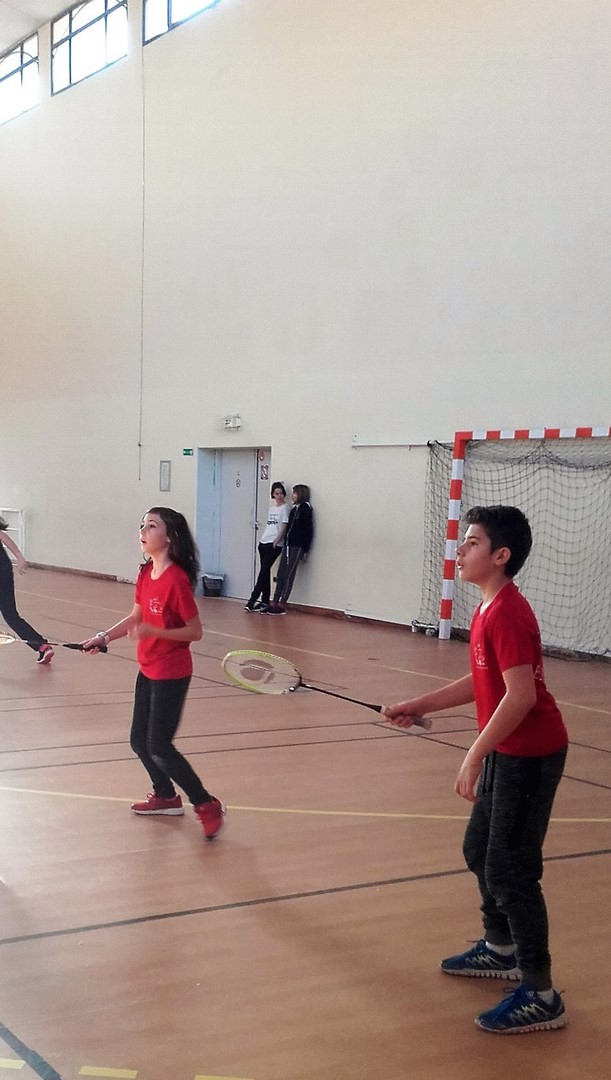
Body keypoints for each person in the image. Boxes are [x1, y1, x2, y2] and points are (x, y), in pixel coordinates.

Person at [384, 505, 568, 1034]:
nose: (461, 550)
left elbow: (521, 696)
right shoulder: (489, 608)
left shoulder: (508, 611)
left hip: (530, 756)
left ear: (501, 555)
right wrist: (420, 704)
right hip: (508, 751)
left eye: (472, 542)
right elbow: (482, 681)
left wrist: (474, 753)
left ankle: (541, 994)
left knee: (511, 871)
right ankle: (501, 946)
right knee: (478, 851)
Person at [82, 507, 225, 840]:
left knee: (159, 746)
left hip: (171, 673)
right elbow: (136, 618)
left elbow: (195, 631)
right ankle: (166, 797)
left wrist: (155, 632)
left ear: (170, 536)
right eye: (142, 525)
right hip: (147, 667)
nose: (143, 531)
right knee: (139, 741)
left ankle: (206, 804)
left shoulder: (176, 580)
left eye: (151, 526)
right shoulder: (147, 572)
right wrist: (104, 637)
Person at [0, 516, 54, 664]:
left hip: (2, 572)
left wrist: (19, 556)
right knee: (11, 616)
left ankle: (41, 646)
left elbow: (2, 536)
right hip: (4, 571)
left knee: (11, 615)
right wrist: (19, 556)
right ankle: (42, 646)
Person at [265, 484, 313, 615]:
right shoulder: (294, 510)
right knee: (281, 572)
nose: (293, 496)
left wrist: (305, 549)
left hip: (297, 546)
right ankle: (274, 600)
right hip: (288, 544)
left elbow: (308, 531)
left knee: (289, 573)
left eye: (295, 493)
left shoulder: (306, 510)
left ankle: (282, 602)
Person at [245, 482, 289, 611]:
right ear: (273, 495)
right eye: (276, 493)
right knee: (265, 572)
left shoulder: (285, 508)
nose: (279, 496)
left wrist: (276, 541)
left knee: (263, 572)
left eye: (281, 493)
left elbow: (284, 526)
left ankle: (252, 600)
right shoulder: (272, 508)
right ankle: (264, 601)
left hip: (274, 543)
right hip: (264, 542)